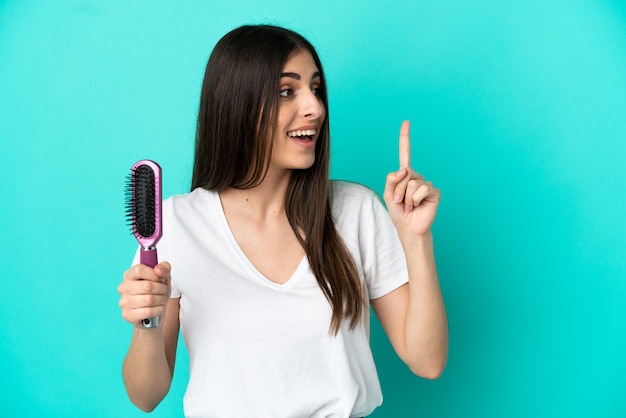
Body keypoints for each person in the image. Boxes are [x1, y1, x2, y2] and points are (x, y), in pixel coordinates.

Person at [118, 24, 448, 417]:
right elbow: (146, 395)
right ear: (237, 105)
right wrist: (146, 323)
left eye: (316, 88)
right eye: (287, 91)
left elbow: (427, 361)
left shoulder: (356, 210)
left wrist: (415, 240)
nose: (315, 107)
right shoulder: (177, 223)